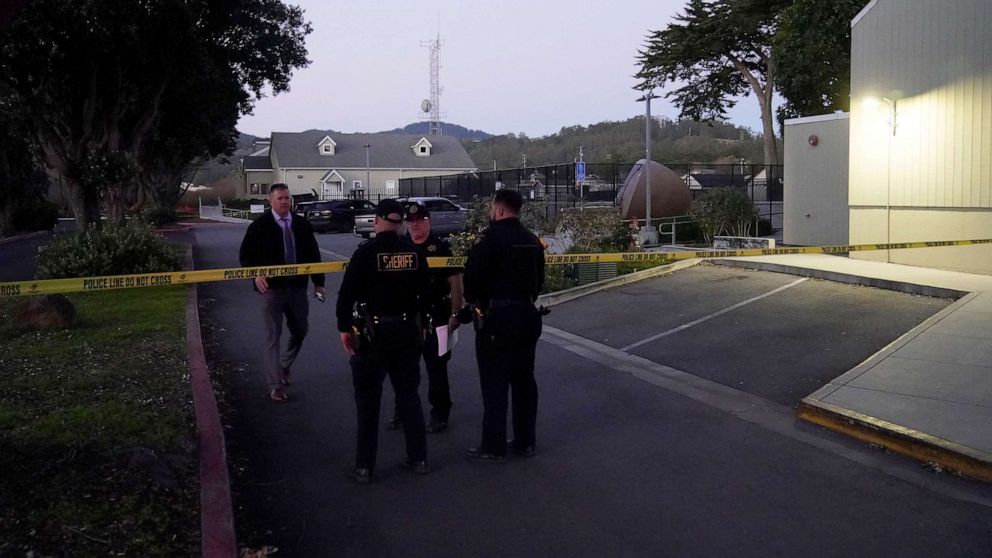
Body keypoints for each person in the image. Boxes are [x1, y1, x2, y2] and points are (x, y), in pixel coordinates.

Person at [336, 199, 432, 484]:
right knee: (409, 397)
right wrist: (421, 323)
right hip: (406, 333)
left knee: (368, 403)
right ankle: (419, 459)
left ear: (377, 221)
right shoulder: (414, 253)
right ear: (400, 222)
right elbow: (426, 293)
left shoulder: (366, 253)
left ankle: (365, 466)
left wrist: (345, 329)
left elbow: (346, 295)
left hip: (372, 336)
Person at [462, 189, 545, 463]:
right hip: (527, 315)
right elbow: (539, 279)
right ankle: (525, 442)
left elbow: (473, 279)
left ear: (498, 210)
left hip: (497, 318)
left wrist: (476, 303)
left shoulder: (489, 239)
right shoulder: (531, 240)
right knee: (524, 381)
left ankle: (494, 446)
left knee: (495, 384)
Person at [239, 183, 325, 403]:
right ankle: (275, 386)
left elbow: (313, 254)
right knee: (272, 337)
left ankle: (284, 365)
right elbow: (245, 256)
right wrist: (256, 275)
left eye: (287, 198)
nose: (285, 202)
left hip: (297, 288)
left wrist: (318, 283)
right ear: (271, 201)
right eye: (280, 198)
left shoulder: (301, 224)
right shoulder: (260, 226)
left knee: (300, 330)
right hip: (272, 290)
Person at [387, 201, 463, 433]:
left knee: (436, 368)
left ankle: (440, 413)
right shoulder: (399, 246)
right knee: (404, 368)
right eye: (411, 222)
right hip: (407, 316)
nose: (415, 225)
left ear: (428, 222)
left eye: (419, 221)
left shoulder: (440, 248)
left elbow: (455, 282)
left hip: (436, 316)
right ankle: (402, 411)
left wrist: (455, 313)